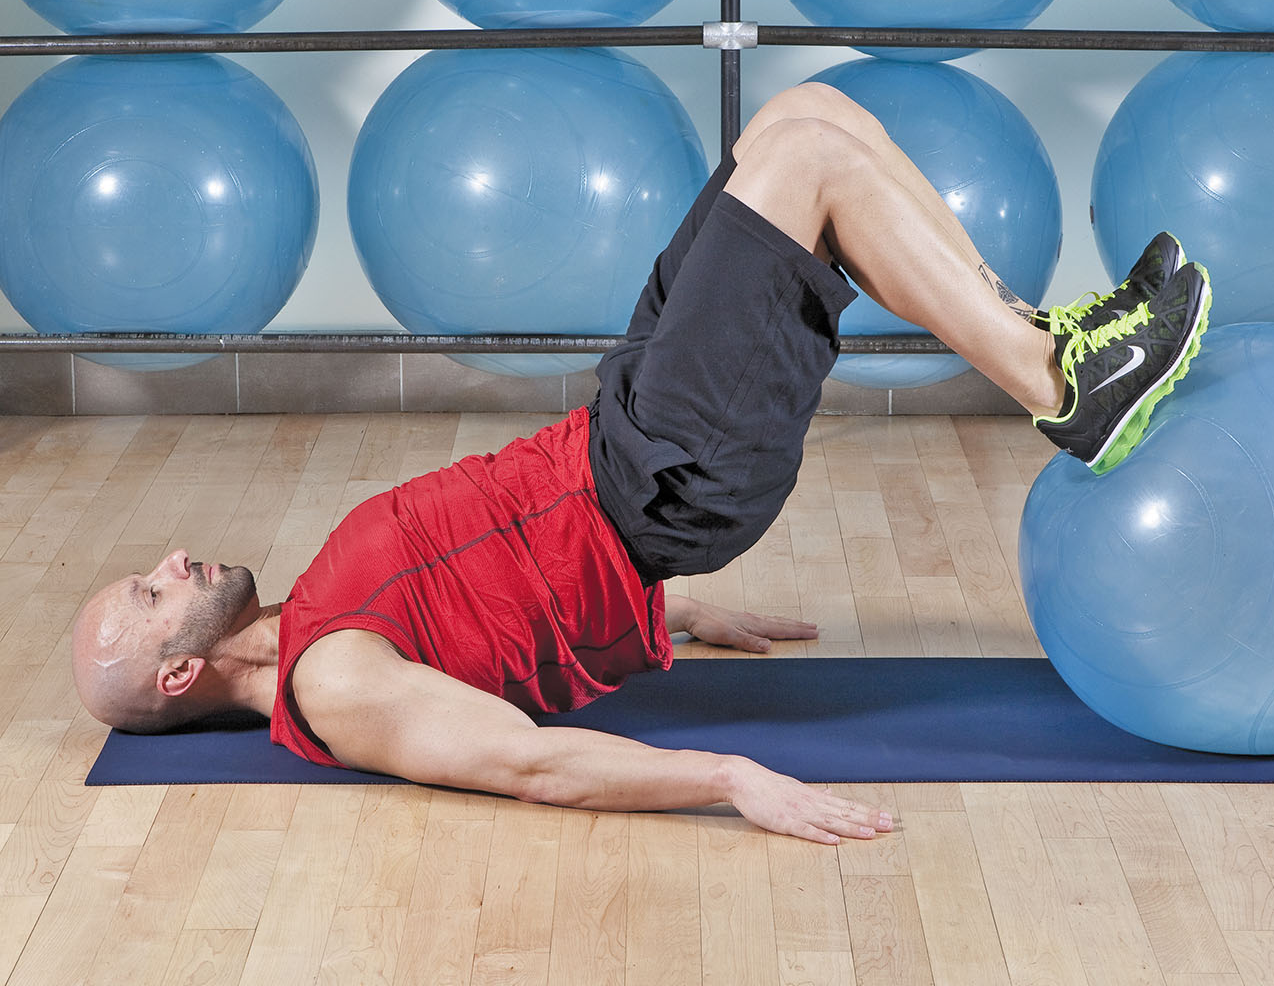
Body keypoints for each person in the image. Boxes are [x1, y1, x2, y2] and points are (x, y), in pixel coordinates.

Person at [71, 84, 1210, 844]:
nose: (168, 563)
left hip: (624, 437)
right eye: (149, 592)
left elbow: (498, 595)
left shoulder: (319, 612)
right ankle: (1066, 389)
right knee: (809, 162)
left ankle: (1048, 339)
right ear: (179, 675)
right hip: (659, 477)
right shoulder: (334, 687)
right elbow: (530, 765)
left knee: (799, 112)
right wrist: (728, 781)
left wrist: (677, 616)